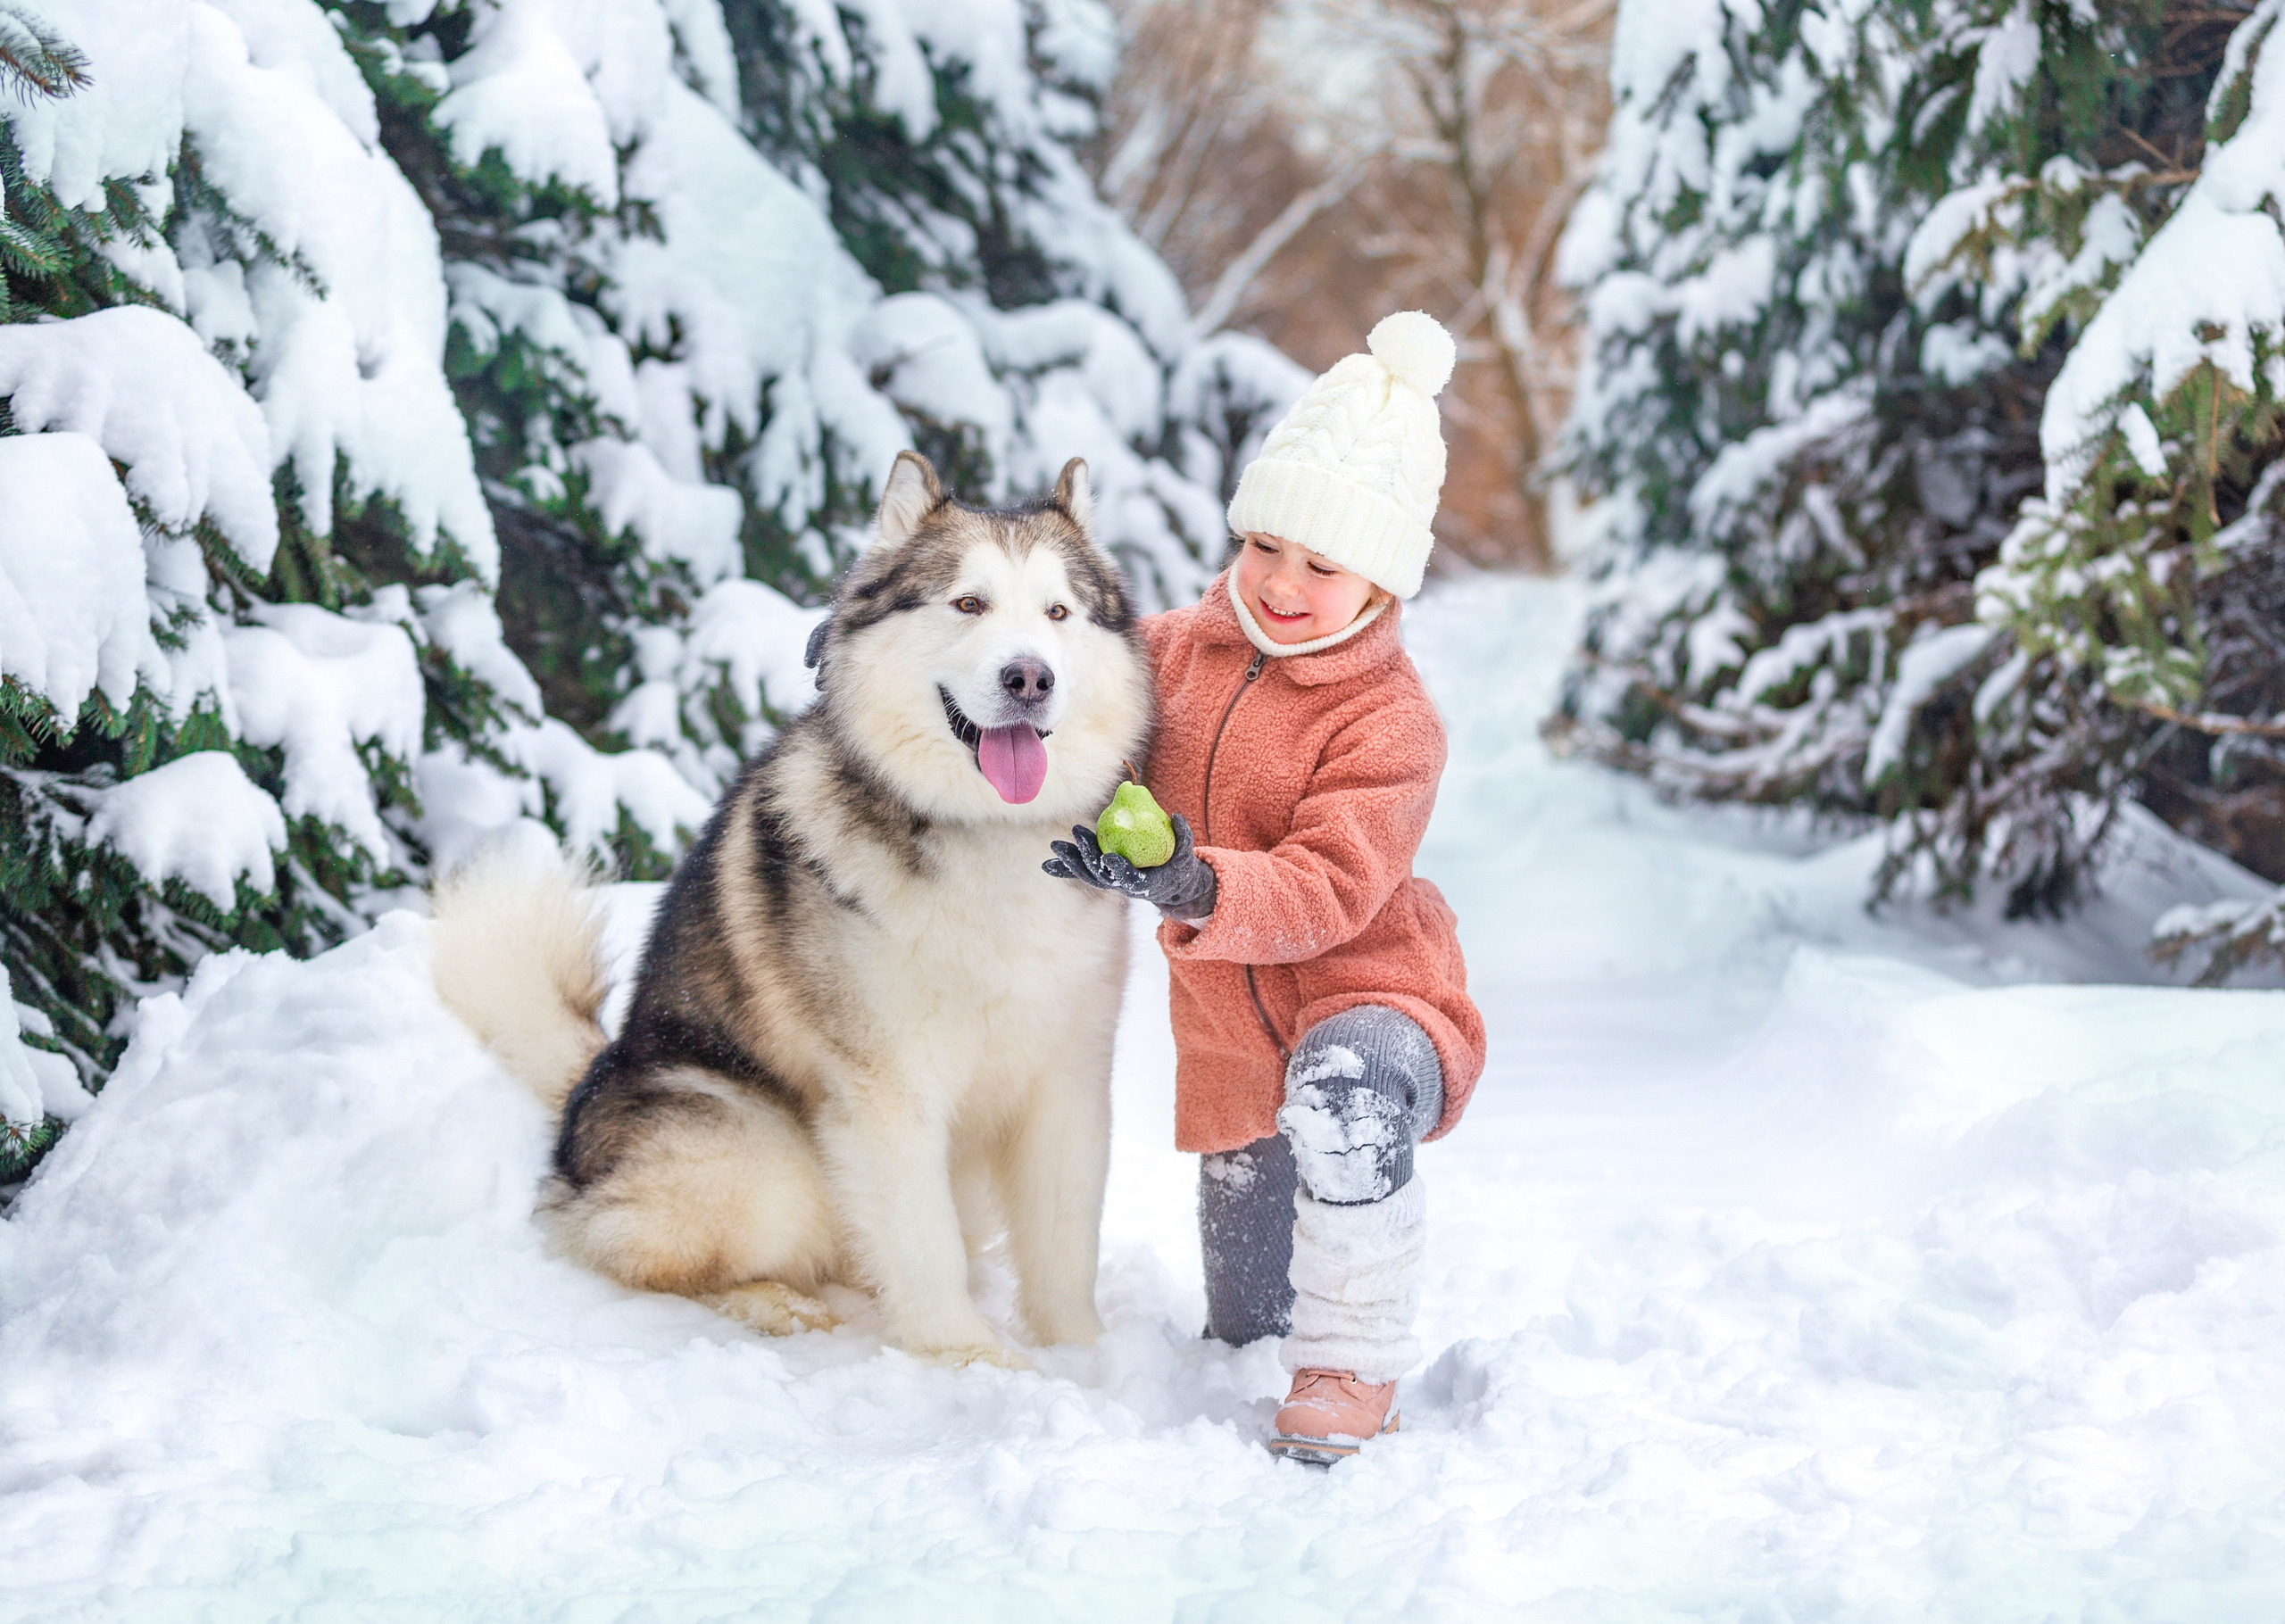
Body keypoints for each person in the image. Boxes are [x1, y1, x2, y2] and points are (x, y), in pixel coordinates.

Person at [1045, 311, 1486, 1465]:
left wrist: (1190, 877)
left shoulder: (1390, 721)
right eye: (1268, 547)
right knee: (1246, 1322)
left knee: (1343, 1102)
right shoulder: (1171, 653)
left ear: (1380, 582)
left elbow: (1331, 886)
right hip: (1233, 1037)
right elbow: (1069, 693)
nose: (1285, 582)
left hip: (1367, 992)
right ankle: (1286, 1342)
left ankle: (1353, 1366)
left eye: (1324, 564)